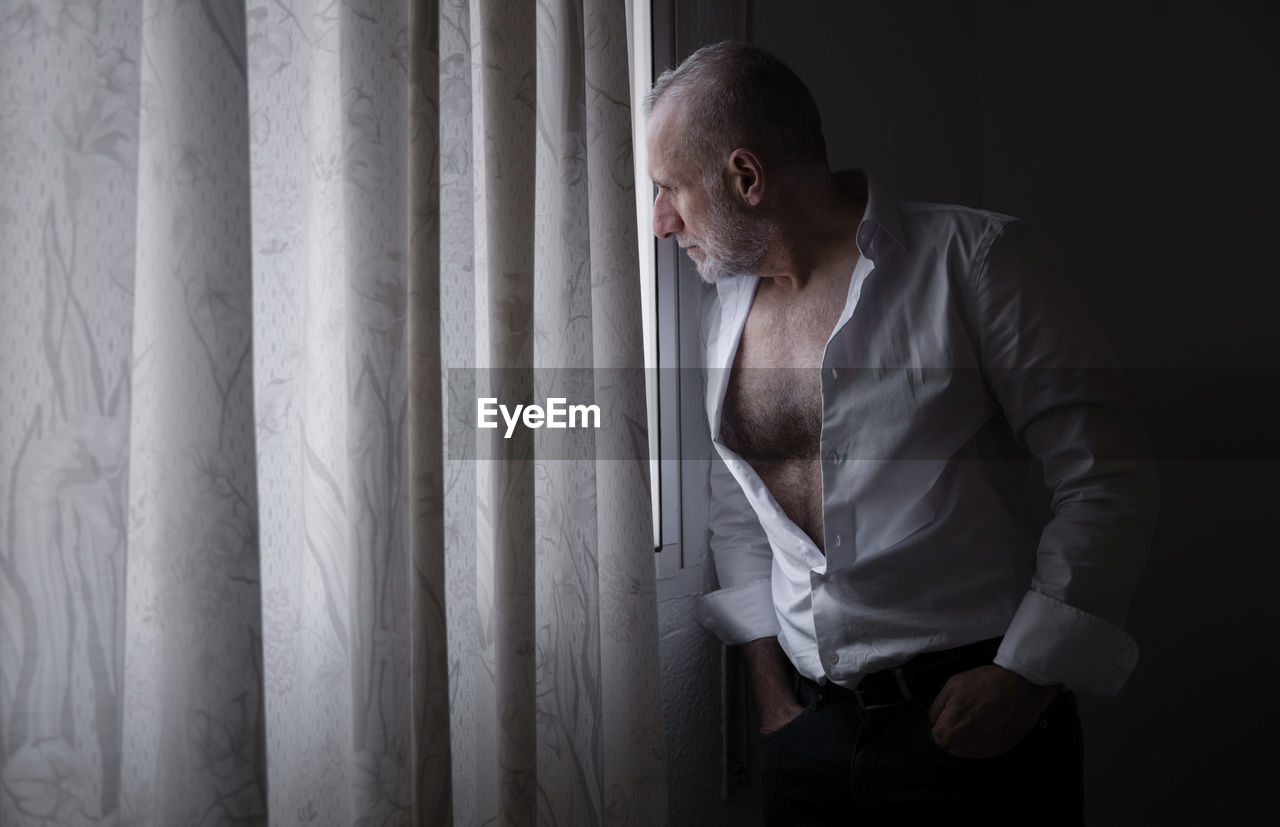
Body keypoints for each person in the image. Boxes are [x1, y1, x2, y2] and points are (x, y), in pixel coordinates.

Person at [644, 41, 1158, 824]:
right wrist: (769, 690)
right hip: (809, 732)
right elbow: (738, 498)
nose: (660, 223)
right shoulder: (727, 308)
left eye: (669, 188)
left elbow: (1106, 475)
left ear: (746, 178)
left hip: (975, 724)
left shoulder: (977, 262)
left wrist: (1025, 676)